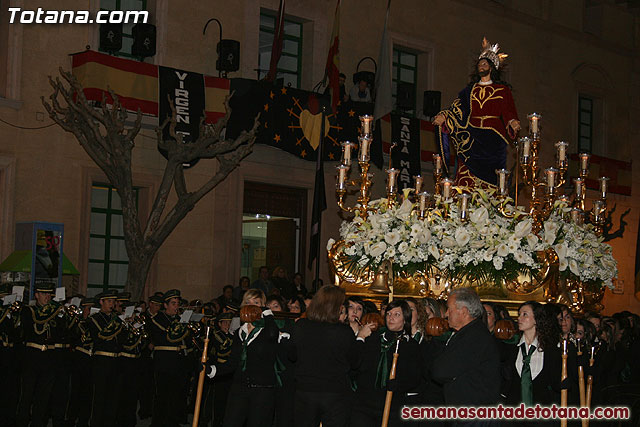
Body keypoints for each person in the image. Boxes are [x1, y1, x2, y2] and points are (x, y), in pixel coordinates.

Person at [433, 37, 520, 189]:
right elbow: (457, 110)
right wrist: (445, 116)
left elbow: (508, 110)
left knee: (492, 175)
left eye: (485, 63)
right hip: (472, 136)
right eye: (480, 63)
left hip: (493, 136)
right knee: (467, 172)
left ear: (491, 68)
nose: (482, 66)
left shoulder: (501, 90)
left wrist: (512, 121)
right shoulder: (469, 91)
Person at [289, 285, 361, 427]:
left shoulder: (301, 326)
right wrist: (360, 339)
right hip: (335, 394)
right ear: (336, 307)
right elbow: (356, 362)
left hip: (305, 391)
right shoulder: (344, 331)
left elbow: (291, 355)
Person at [350, 300, 423, 427]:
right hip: (365, 405)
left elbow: (415, 377)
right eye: (389, 314)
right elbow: (358, 365)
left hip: (392, 407)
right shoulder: (374, 339)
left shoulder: (410, 346)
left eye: (396, 315)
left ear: (405, 319)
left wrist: (399, 384)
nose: (391, 318)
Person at [503, 301, 576, 424]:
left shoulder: (550, 351)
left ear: (536, 319)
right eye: (519, 314)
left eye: (524, 314)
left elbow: (556, 384)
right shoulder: (512, 349)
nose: (519, 318)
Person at [431, 288, 501, 410]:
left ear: (463, 312)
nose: (446, 314)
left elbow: (441, 371)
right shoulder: (468, 333)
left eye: (449, 309)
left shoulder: (474, 337)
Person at [16, 283, 63, 427]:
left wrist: (61, 315)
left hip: (49, 358)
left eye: (49, 294)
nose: (47, 297)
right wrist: (52, 310)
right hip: (32, 357)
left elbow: (61, 334)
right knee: (27, 395)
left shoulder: (55, 312)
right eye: (44, 294)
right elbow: (29, 326)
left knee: (43, 397)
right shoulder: (29, 310)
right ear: (36, 295)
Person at [146, 289, 192, 427]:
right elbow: (168, 337)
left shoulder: (179, 320)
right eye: (173, 304)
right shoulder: (157, 319)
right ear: (165, 305)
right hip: (164, 362)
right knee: (162, 396)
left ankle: (172, 422)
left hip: (178, 362)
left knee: (176, 395)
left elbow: (186, 341)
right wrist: (181, 326)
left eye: (177, 304)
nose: (176, 307)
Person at [87, 290, 123, 427]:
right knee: (100, 398)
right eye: (109, 301)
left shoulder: (117, 318)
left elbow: (122, 341)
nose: (112, 304)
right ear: (101, 302)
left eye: (113, 301)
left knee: (113, 398)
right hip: (102, 362)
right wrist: (118, 323)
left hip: (116, 362)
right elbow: (101, 337)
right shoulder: (95, 318)